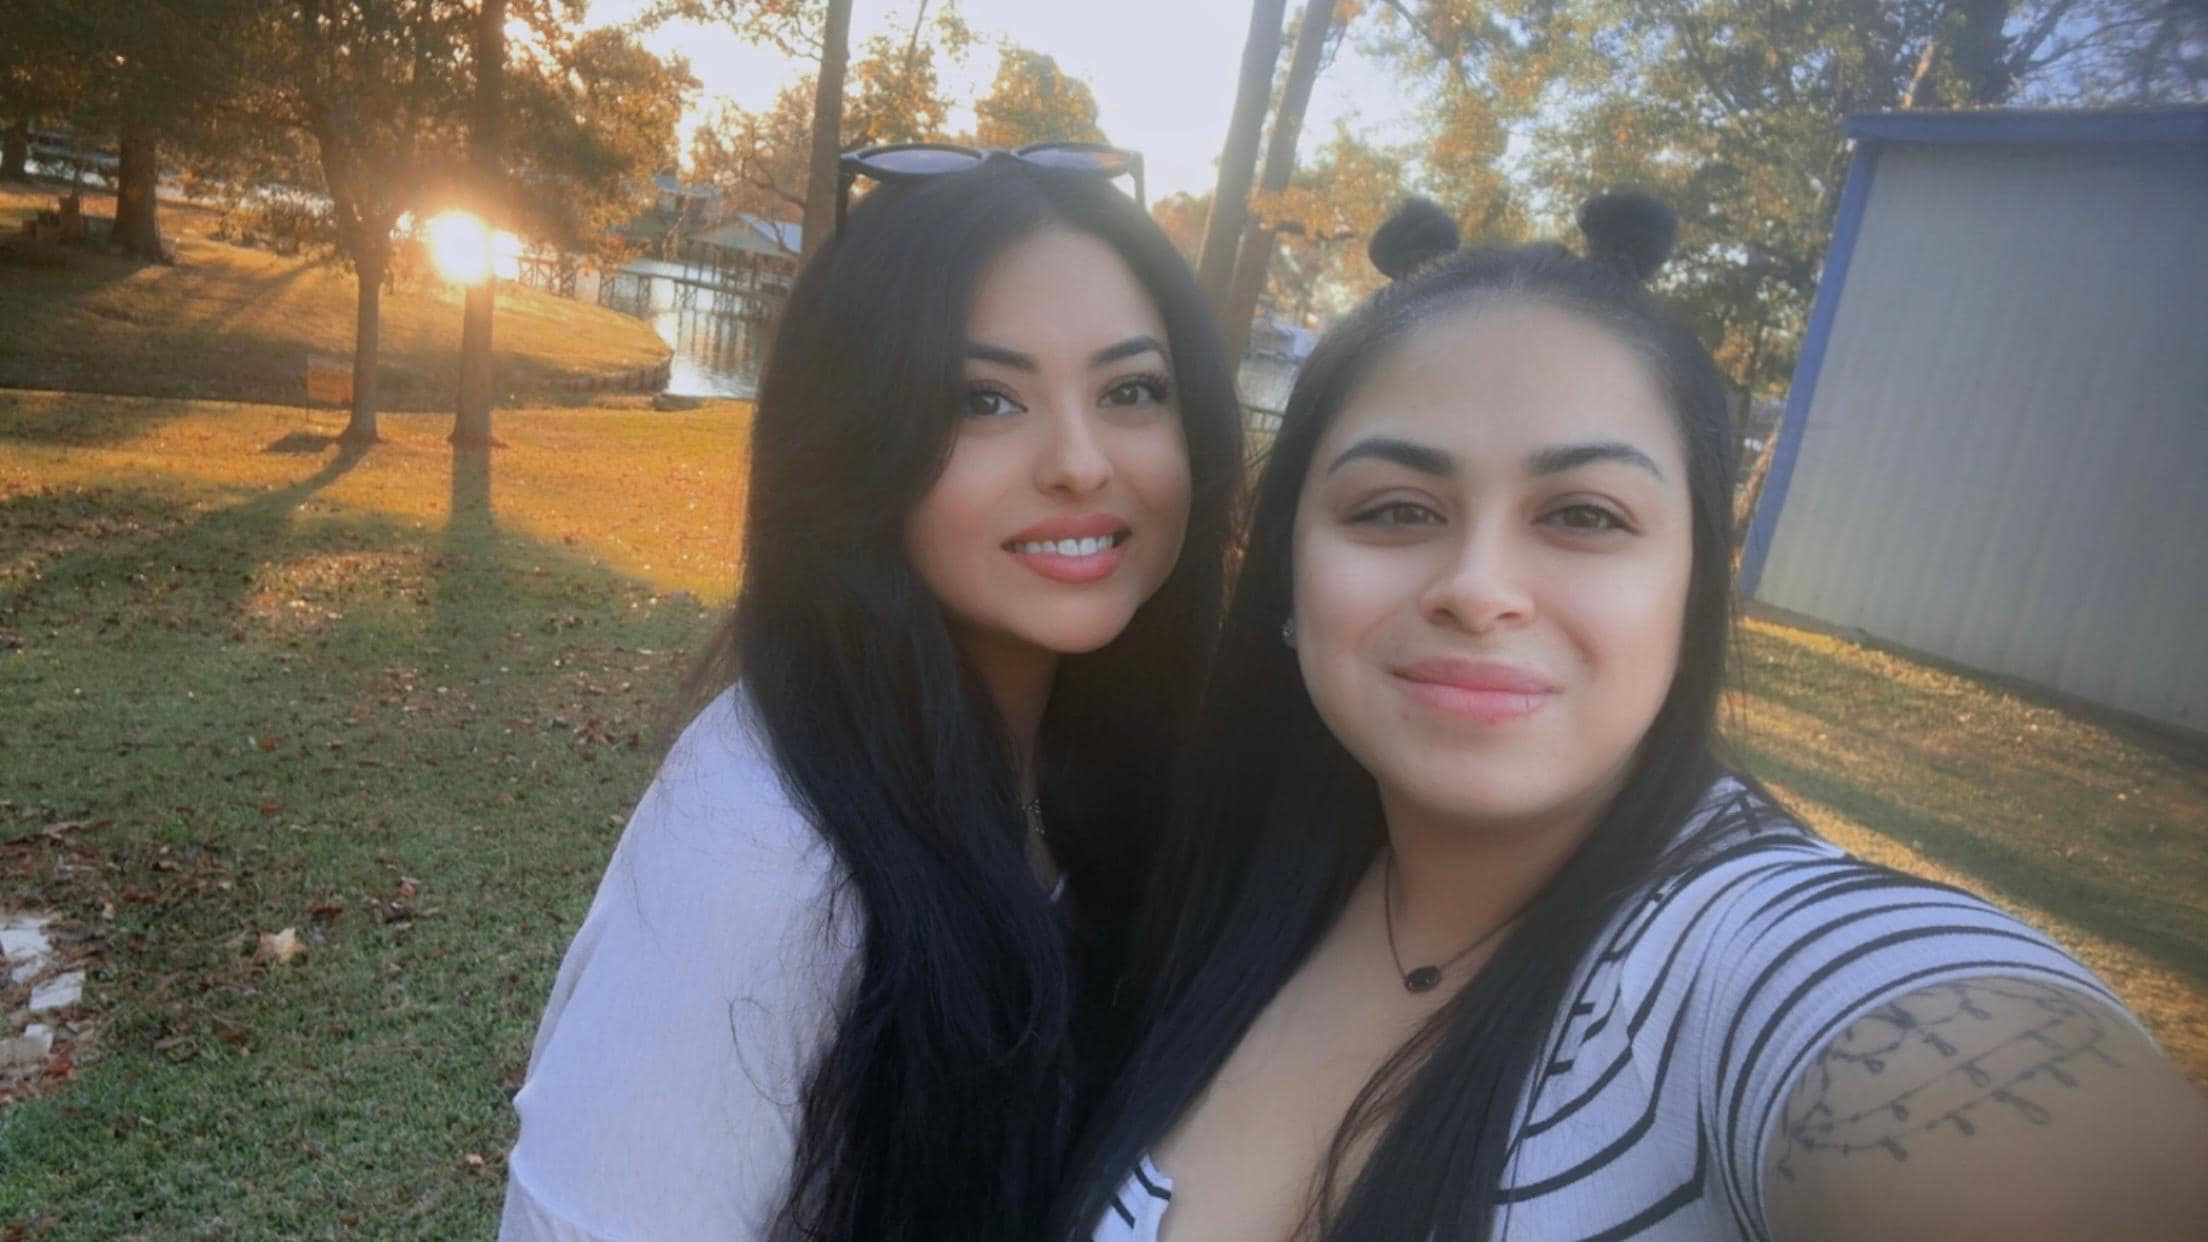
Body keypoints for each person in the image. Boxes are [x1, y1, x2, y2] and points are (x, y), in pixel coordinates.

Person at [1057, 195, 2208, 1240]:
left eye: (1587, 516)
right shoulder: (1213, 875)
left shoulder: (1768, 967)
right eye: (1397, 508)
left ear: (1693, 582)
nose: (1479, 587)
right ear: (1288, 576)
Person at [500, 149, 1244, 1242]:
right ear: (857, 440)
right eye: (984, 399)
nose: (1082, 463)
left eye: (1132, 391)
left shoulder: (1112, 756)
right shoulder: (763, 849)